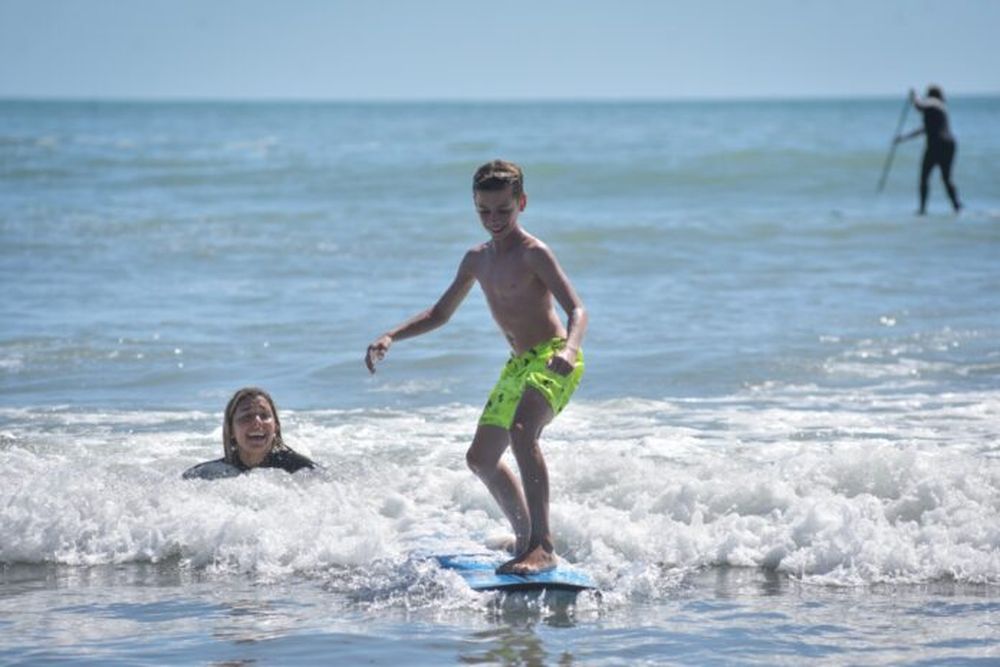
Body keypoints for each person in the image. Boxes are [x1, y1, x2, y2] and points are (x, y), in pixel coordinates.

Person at [365, 159, 587, 575]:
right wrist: (392, 335)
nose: (494, 219)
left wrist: (571, 350)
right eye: (484, 210)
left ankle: (543, 546)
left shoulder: (534, 253)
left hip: (553, 357)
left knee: (522, 433)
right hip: (518, 364)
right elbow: (439, 313)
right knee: (481, 458)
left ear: (522, 203)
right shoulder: (476, 260)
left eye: (504, 209)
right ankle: (524, 538)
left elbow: (577, 309)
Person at [182, 386, 316, 480]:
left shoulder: (302, 470)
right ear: (231, 430)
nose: (257, 422)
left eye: (264, 415)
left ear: (276, 427)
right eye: (247, 417)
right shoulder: (205, 475)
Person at [895, 85, 962, 214]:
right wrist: (903, 138)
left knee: (924, 178)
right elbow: (924, 129)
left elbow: (919, 105)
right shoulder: (939, 110)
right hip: (949, 144)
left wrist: (914, 96)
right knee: (946, 179)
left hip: (937, 144)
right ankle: (956, 206)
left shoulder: (934, 102)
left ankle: (922, 209)